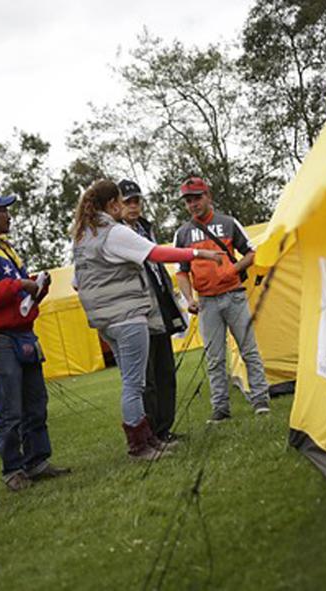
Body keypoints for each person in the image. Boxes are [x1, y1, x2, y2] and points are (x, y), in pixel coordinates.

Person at [71, 179, 222, 460]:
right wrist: (200, 253)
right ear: (112, 204)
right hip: (127, 316)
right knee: (135, 383)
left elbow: (77, 282)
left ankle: (149, 439)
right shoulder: (112, 231)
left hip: (104, 321)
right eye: (121, 201)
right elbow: (156, 254)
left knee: (134, 380)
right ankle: (140, 445)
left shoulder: (83, 237)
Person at [0, 191, 70, 492]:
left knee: (36, 404)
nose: (9, 214)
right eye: (2, 209)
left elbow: (15, 294)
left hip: (22, 335)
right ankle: (13, 470)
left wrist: (36, 286)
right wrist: (21, 283)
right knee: (10, 409)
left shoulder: (4, 248)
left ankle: (37, 462)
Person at [173, 176, 271, 423]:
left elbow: (251, 252)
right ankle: (220, 408)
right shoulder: (182, 233)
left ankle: (261, 400)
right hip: (206, 302)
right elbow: (181, 272)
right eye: (188, 201)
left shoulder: (228, 223)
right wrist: (188, 299)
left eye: (197, 198)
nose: (193, 204)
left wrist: (233, 269)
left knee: (249, 350)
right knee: (214, 358)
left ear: (208, 196)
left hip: (234, 296)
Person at [118, 179, 187, 443]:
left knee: (165, 372)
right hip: (137, 312)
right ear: (117, 205)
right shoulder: (116, 233)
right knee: (146, 380)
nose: (133, 206)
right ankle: (150, 433)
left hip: (160, 307)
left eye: (136, 201)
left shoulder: (146, 228)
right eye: (127, 202)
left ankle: (164, 428)